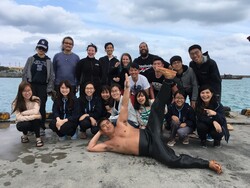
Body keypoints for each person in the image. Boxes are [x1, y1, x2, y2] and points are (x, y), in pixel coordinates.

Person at [87, 69, 223, 175]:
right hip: (151, 148)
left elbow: (124, 105)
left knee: (156, 108)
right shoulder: (108, 144)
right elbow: (90, 147)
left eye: (107, 123)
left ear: (112, 123)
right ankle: (206, 164)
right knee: (172, 161)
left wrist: (127, 88)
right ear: (103, 131)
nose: (107, 126)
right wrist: (99, 131)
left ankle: (168, 80)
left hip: (149, 131)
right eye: (103, 127)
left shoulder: (121, 123)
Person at [22, 39, 55, 136]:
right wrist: (25, 87)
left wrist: (49, 88)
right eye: (40, 48)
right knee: (30, 106)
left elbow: (52, 76)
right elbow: (24, 73)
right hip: (31, 86)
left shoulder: (48, 61)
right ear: (37, 48)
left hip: (43, 86)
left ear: (46, 49)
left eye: (43, 49)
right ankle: (31, 126)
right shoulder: (31, 59)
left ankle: (41, 126)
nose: (41, 50)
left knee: (41, 107)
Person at [12, 81, 43, 147]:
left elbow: (35, 111)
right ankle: (24, 135)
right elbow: (19, 118)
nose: (27, 93)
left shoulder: (36, 99)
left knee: (36, 120)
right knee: (25, 123)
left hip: (35, 122)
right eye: (24, 91)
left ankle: (38, 138)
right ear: (20, 92)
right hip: (24, 123)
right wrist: (34, 116)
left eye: (29, 90)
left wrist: (23, 113)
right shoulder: (16, 103)